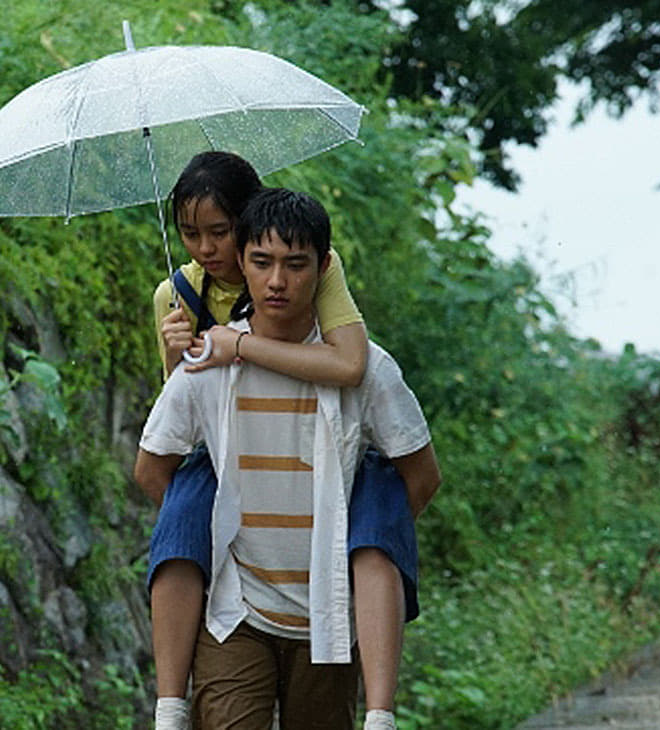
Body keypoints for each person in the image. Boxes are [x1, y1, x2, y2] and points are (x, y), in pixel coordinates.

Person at [139, 187, 442, 730]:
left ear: (323, 268)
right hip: (235, 614)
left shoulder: (371, 372)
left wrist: (355, 541)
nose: (277, 280)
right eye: (262, 262)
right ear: (241, 263)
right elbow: (152, 469)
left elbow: (420, 477)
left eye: (295, 265)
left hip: (328, 617)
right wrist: (212, 533)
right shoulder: (207, 364)